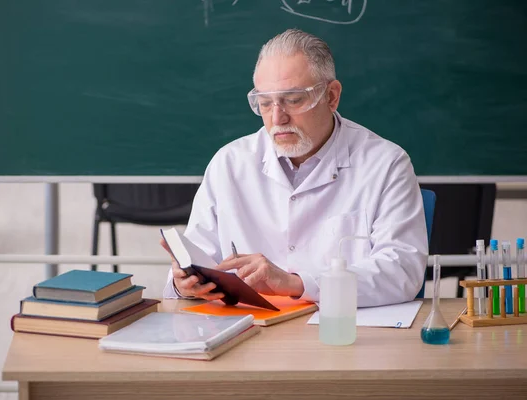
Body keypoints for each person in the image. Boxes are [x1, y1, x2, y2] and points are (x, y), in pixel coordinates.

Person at [161, 28, 428, 307]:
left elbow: (402, 271)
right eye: (265, 103)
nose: (278, 117)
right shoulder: (229, 163)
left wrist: (298, 284)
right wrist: (185, 284)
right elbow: (196, 260)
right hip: (249, 333)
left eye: (293, 100)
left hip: (343, 333)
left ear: (331, 96)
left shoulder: (386, 164)